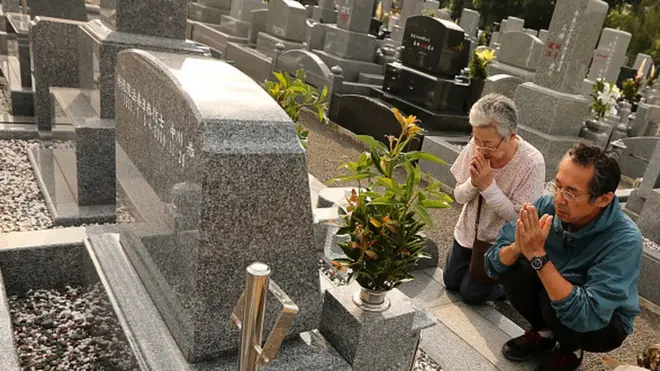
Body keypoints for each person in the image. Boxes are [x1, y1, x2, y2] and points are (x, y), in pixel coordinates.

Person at [484, 142, 642, 371]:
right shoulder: (546, 207)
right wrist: (517, 247)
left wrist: (538, 256)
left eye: (571, 192)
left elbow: (587, 315)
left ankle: (571, 350)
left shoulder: (624, 239)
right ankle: (543, 334)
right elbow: (491, 265)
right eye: (557, 185)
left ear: (603, 199)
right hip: (556, 293)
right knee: (514, 264)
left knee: (556, 297)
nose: (559, 198)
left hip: (604, 322)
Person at [443, 93, 545, 305]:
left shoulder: (532, 163)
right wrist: (474, 183)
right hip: (468, 232)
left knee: (471, 294)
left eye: (488, 144)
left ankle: (506, 287)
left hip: (497, 244)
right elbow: (459, 196)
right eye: (476, 139)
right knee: (451, 282)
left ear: (511, 136)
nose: (480, 148)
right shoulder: (477, 143)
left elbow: (519, 218)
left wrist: (488, 186)